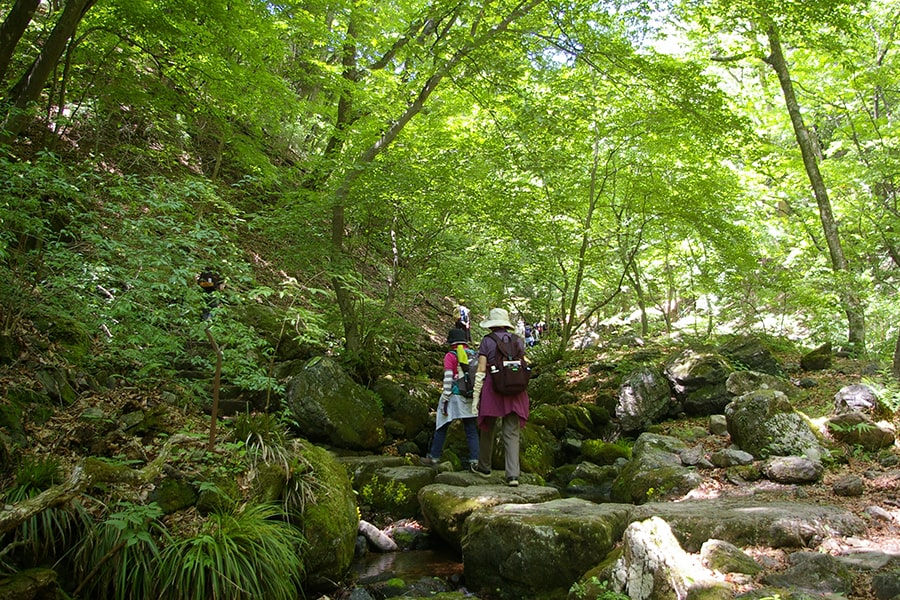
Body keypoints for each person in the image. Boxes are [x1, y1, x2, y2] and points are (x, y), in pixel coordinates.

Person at [470, 307, 530, 487]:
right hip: (515, 390)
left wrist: (475, 396)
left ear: (491, 325)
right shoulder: (517, 340)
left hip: (493, 388)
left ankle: (484, 468)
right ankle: (512, 475)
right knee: (511, 431)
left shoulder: (487, 341)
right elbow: (525, 363)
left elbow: (481, 369)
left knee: (488, 426)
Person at [421, 328, 480, 469]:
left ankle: (434, 457)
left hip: (454, 396)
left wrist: (445, 397)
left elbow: (448, 378)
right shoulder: (474, 354)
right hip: (471, 396)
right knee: (471, 429)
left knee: (442, 426)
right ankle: (475, 461)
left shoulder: (451, 356)